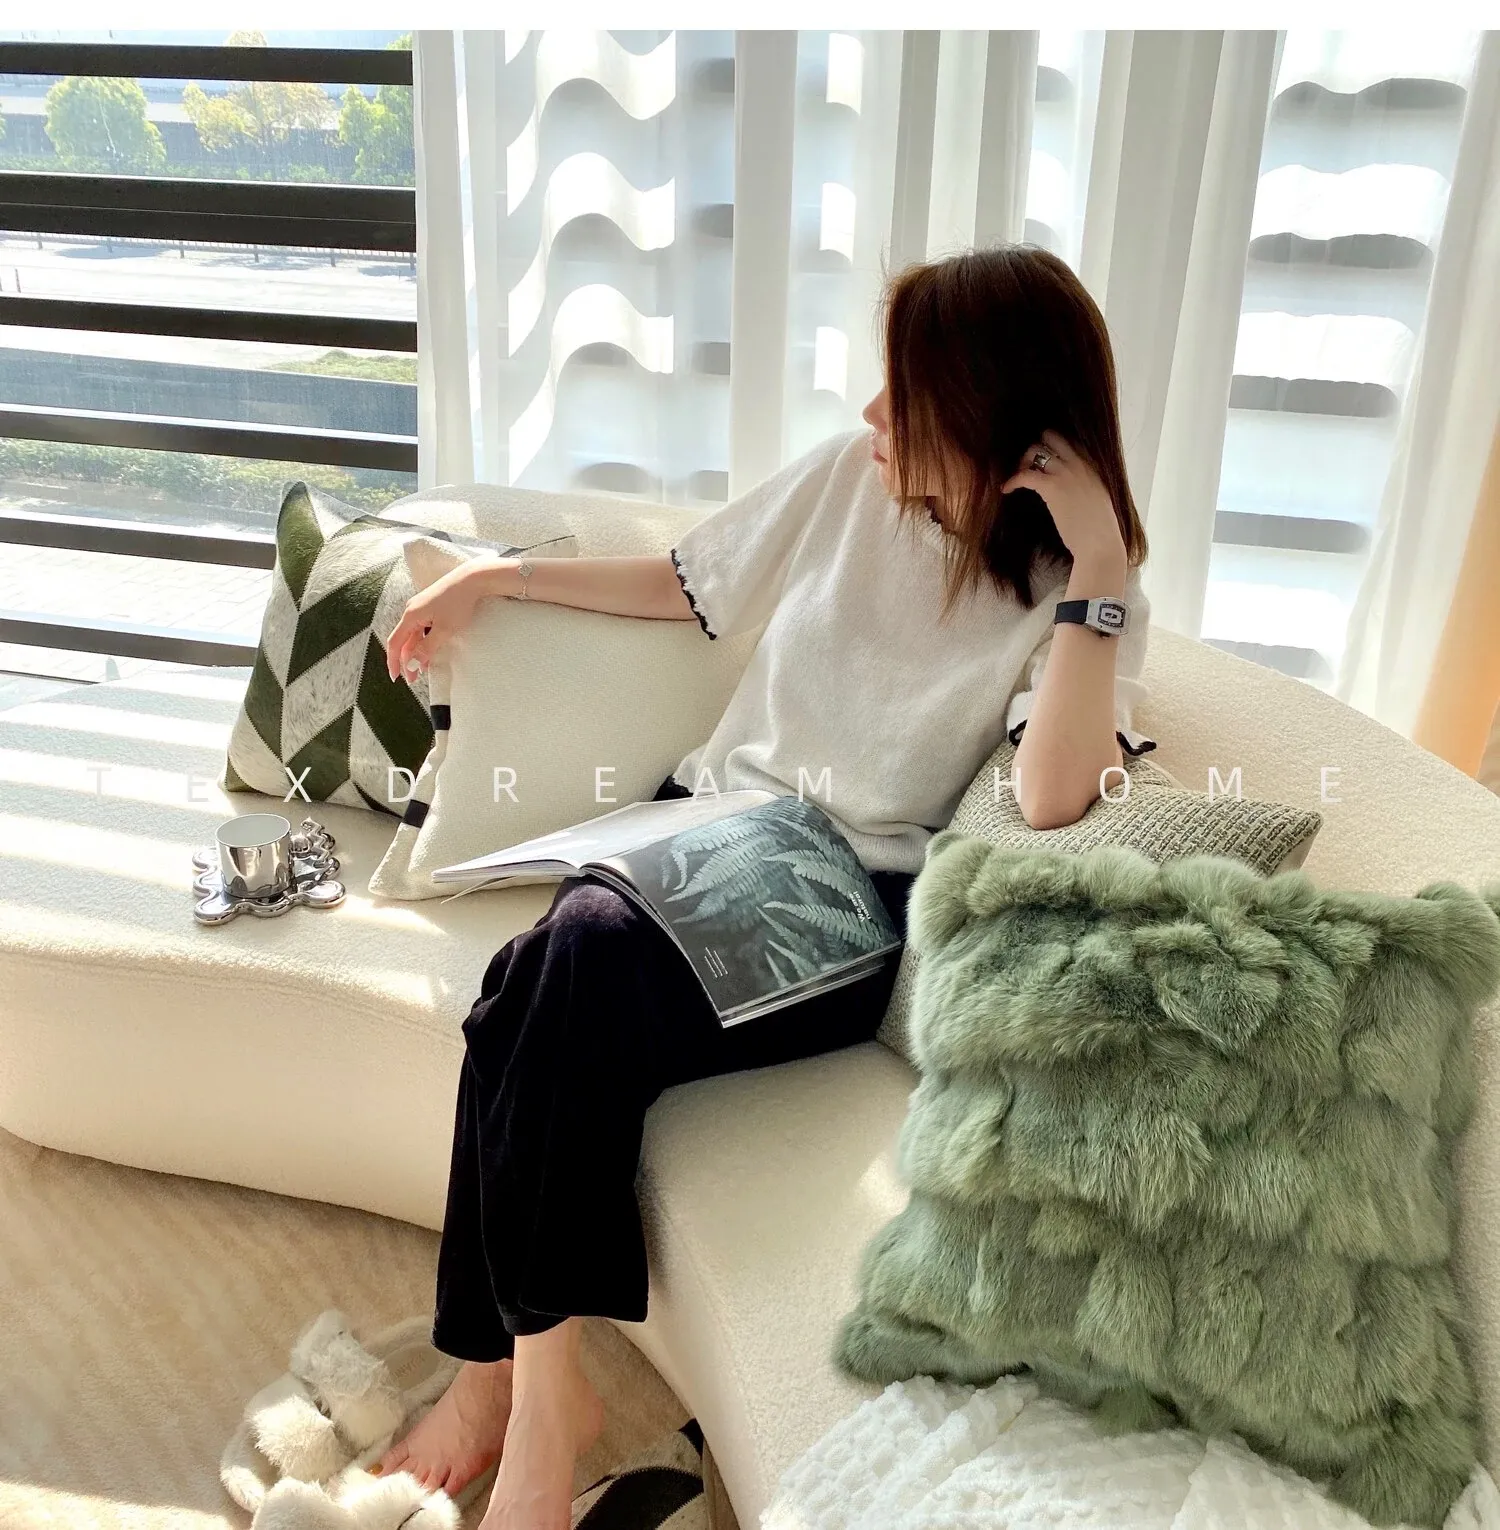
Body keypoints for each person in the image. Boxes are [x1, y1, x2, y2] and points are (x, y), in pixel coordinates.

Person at [374, 242, 1156, 1530]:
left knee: (567, 957)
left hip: (842, 899)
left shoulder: (1079, 597)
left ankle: (519, 1404)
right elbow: (693, 582)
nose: (872, 414)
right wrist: (499, 576)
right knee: (530, 980)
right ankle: (517, 1389)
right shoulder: (854, 478)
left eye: (906, 395)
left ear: (994, 423)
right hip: (707, 831)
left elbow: (1054, 793)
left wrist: (1104, 580)